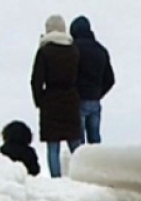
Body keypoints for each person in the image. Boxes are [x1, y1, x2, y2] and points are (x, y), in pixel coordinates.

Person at [31, 15, 82, 178]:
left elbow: (36, 80)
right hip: (71, 99)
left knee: (53, 146)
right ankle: (81, 176)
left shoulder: (44, 51)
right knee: (75, 144)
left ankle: (56, 180)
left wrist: (40, 101)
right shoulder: (73, 50)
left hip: (51, 100)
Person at [69, 16, 115, 144]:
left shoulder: (73, 49)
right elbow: (110, 79)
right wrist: (98, 93)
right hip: (95, 101)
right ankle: (97, 164)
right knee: (95, 142)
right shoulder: (101, 50)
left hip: (78, 100)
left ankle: (79, 164)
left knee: (78, 143)